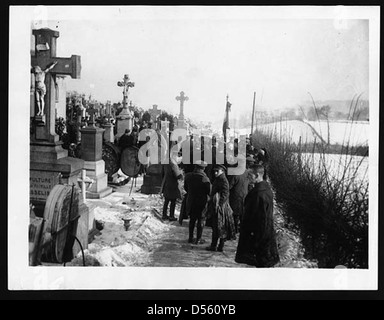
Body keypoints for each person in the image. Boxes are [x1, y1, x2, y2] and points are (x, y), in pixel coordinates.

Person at [235, 164, 280, 267]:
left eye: (249, 175)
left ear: (257, 175)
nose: (247, 177)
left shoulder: (259, 194)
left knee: (261, 265)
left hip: (258, 238)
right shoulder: (265, 190)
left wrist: (257, 241)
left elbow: (262, 220)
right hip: (261, 236)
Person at [206, 164, 236, 252]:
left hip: (221, 208)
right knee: (217, 226)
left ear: (222, 171)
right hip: (219, 206)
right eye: (214, 171)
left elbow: (225, 194)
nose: (215, 173)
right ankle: (216, 246)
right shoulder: (219, 179)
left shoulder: (223, 180)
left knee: (220, 226)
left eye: (217, 171)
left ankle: (218, 246)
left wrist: (219, 204)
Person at [184, 161, 211, 244]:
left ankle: (190, 237)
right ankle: (199, 238)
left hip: (191, 201)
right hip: (201, 202)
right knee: (201, 220)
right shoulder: (205, 178)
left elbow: (186, 188)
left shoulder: (188, 176)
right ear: (203, 168)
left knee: (192, 219)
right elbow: (209, 191)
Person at [227, 156, 249, 233]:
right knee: (242, 215)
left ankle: (234, 230)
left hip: (235, 196)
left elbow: (230, 186)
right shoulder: (247, 173)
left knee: (234, 215)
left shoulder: (235, 173)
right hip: (245, 196)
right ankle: (242, 230)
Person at [161, 151, 183, 221]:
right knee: (173, 201)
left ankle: (164, 215)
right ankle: (171, 216)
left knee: (166, 200)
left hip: (167, 183)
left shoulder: (166, 163)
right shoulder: (174, 164)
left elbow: (162, 173)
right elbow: (178, 176)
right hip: (173, 185)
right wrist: (181, 174)